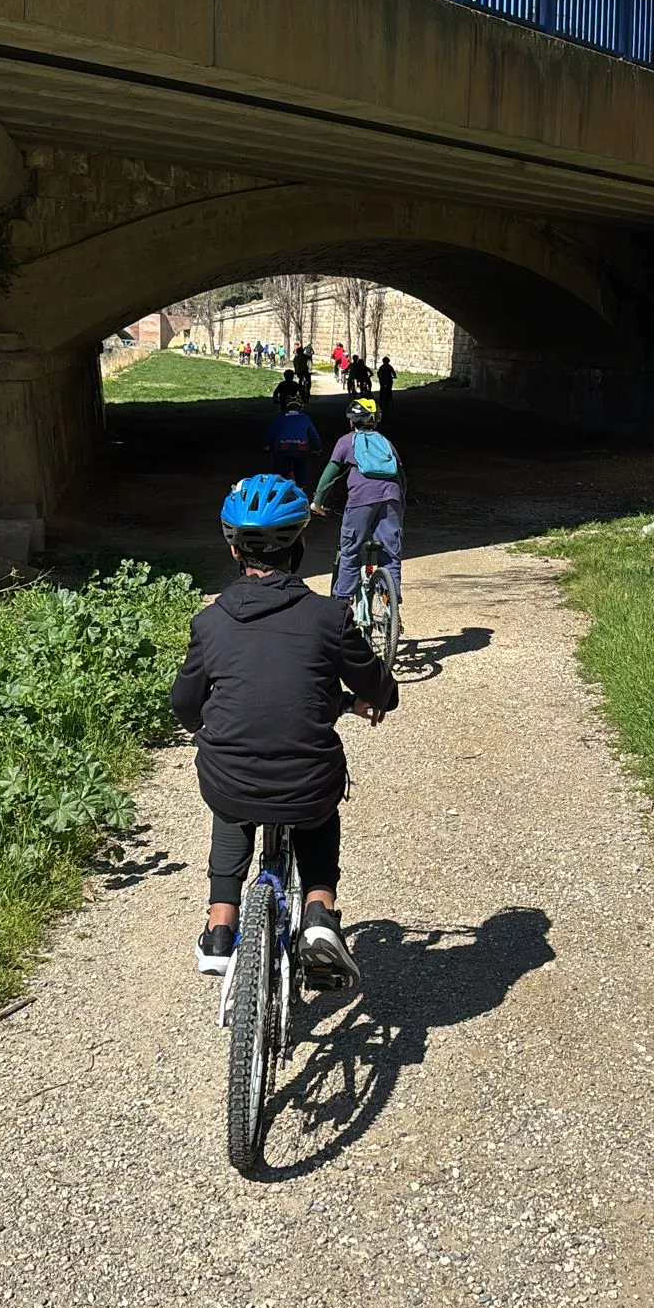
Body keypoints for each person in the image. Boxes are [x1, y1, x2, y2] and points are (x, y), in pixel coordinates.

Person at [171, 474, 398, 984]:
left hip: (230, 778)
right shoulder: (329, 617)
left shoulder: (210, 623)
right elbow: (378, 687)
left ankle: (220, 927)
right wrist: (364, 699)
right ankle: (320, 913)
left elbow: (184, 707)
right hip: (306, 783)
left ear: (233, 551)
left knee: (230, 806)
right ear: (299, 544)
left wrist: (212, 719)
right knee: (318, 812)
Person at [311, 397, 404, 603]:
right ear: (376, 422)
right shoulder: (386, 442)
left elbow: (329, 474)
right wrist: (400, 502)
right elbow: (400, 475)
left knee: (350, 550)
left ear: (351, 422)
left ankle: (342, 603)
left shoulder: (346, 441)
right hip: (392, 498)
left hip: (361, 500)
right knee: (390, 552)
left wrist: (317, 502)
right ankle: (391, 599)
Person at [263, 394, 321, 488]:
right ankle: (300, 489)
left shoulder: (280, 417)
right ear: (301, 407)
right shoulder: (305, 417)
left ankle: (277, 490)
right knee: (300, 470)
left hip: (283, 448)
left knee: (278, 475)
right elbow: (314, 435)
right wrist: (318, 448)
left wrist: (266, 444)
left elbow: (270, 433)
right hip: (301, 449)